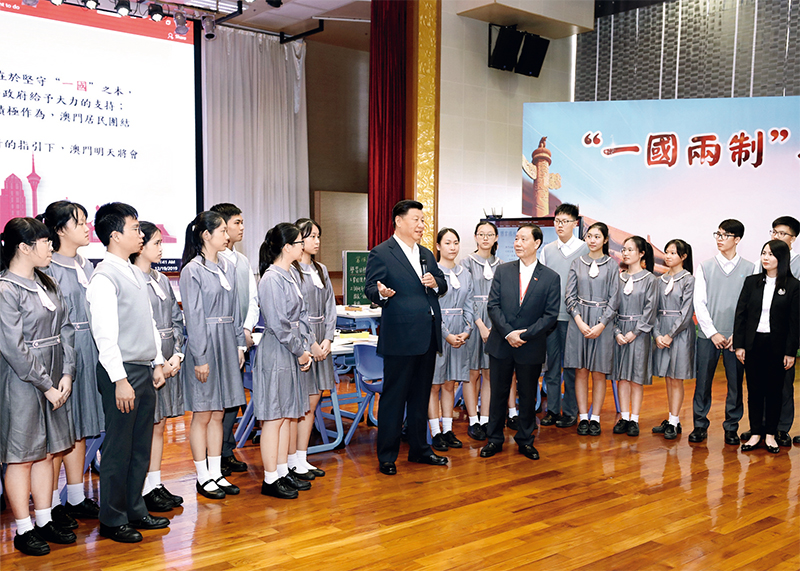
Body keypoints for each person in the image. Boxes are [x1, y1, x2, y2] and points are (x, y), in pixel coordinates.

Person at [85, 202, 168, 543]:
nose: (140, 234)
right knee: (118, 449)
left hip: (143, 368)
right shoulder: (104, 277)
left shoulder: (134, 272)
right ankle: (112, 518)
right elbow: (104, 335)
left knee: (139, 446)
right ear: (115, 236)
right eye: (134, 228)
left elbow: (149, 322)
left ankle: (135, 509)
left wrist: (158, 361)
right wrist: (120, 380)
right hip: (122, 372)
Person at [0, 217, 77, 556]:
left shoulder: (48, 282)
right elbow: (13, 348)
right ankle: (23, 528)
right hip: (22, 382)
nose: (50, 247)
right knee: (21, 457)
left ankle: (44, 519)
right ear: (23, 247)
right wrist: (46, 384)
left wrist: (67, 373)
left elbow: (67, 329)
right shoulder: (6, 289)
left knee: (48, 451)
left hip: (55, 376)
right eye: (45, 242)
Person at [364, 199, 448, 476]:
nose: (421, 225)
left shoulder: (426, 254)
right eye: (416, 219)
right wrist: (381, 293)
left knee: (420, 397)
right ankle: (387, 456)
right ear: (399, 221)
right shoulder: (381, 252)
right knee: (394, 398)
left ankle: (419, 449)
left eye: (423, 220)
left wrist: (436, 283)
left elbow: (442, 283)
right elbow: (370, 287)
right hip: (400, 336)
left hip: (428, 335)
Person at [39, 201, 101, 528]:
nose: (86, 228)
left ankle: (76, 496)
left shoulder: (87, 265)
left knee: (81, 427)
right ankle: (50, 505)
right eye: (79, 223)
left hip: (90, 349)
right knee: (60, 432)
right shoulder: (48, 268)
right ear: (60, 230)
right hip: (65, 353)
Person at [179, 211, 246, 500]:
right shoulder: (192, 270)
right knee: (203, 413)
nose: (227, 235)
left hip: (227, 343)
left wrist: (239, 345)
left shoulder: (227, 267)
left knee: (219, 413)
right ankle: (202, 475)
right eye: (222, 231)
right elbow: (194, 317)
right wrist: (200, 357)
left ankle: (216, 472)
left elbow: (236, 310)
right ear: (206, 235)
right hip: (205, 343)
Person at [479, 224, 560, 461]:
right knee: (498, 393)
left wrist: (523, 336)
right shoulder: (503, 271)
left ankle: (525, 439)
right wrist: (509, 333)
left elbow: (550, 316)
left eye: (523, 239)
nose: (517, 243)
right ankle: (494, 439)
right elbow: (493, 306)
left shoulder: (551, 277)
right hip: (502, 343)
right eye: (516, 238)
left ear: (537, 243)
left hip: (530, 345)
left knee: (527, 396)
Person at [254, 223, 314, 499]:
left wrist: (305, 346)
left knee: (286, 414)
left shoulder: (290, 274)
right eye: (300, 242)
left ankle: (281, 471)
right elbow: (279, 324)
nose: (304, 246)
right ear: (287, 247)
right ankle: (270, 478)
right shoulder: (271, 278)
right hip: (277, 351)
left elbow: (301, 316)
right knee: (274, 417)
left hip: (292, 349)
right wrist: (300, 351)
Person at [130, 222, 185, 512]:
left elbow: (176, 320)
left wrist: (177, 354)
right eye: (156, 243)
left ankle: (155, 483)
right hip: (147, 365)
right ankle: (140, 488)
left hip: (167, 361)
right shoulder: (131, 279)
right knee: (144, 427)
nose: (162, 248)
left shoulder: (162, 279)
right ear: (140, 247)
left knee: (159, 425)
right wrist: (157, 364)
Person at [690, 220, 755, 445]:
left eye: (725, 235)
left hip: (736, 337)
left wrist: (739, 334)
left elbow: (752, 305)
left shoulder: (751, 268)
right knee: (703, 382)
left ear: (737, 239)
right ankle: (699, 425)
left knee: (735, 384)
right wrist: (712, 333)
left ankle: (731, 428)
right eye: (717, 234)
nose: (719, 238)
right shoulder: (705, 266)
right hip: (708, 336)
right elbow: (699, 302)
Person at [734, 240, 800, 453]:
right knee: (754, 389)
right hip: (754, 343)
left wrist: (790, 352)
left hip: (777, 346)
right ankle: (755, 433)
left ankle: (770, 434)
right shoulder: (751, 282)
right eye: (763, 253)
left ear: (781, 258)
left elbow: (795, 323)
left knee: (774, 390)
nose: (765, 257)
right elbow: (741, 314)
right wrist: (739, 345)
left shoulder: (793, 286)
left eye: (771, 254)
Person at [210, 203, 258, 476]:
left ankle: (226, 451)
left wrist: (247, 329)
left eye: (242, 222)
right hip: (218, 340)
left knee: (233, 398)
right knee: (217, 403)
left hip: (240, 338)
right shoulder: (210, 261)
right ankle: (214, 455)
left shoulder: (242, 261)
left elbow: (252, 299)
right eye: (236, 223)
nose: (241, 228)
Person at [564, 222, 619, 436]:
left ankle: (595, 418)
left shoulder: (612, 265)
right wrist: (579, 321)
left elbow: (615, 299)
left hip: (603, 323)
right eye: (589, 236)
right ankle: (582, 417)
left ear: (605, 240)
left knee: (598, 372)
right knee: (580, 371)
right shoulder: (576, 263)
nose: (592, 240)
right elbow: (569, 296)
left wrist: (602, 324)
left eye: (597, 236)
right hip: (579, 321)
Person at [539, 204, 589, 429]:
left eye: (565, 221)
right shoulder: (548, 250)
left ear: (575, 224)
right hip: (551, 316)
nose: (560, 225)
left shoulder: (585, 249)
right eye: (557, 221)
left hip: (575, 318)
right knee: (551, 366)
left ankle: (569, 412)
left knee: (571, 367)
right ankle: (552, 410)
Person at [291, 218, 334, 480]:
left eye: (318, 236)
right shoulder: (291, 271)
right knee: (302, 402)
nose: (316, 241)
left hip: (322, 338)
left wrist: (328, 338)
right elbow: (296, 312)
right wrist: (311, 344)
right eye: (311, 236)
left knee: (315, 399)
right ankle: (292, 459)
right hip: (303, 340)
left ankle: (302, 457)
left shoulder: (321, 269)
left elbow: (330, 306)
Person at [429, 228, 473, 452]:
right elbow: (431, 308)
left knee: (450, 383)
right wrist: (446, 334)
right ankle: (435, 432)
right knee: (434, 385)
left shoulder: (465, 273)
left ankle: (448, 429)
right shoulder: (432, 274)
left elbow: (470, 304)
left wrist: (467, 330)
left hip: (459, 333)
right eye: (447, 243)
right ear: (438, 246)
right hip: (438, 332)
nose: (452, 247)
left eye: (456, 242)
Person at [612, 236, 657, 437]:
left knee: (636, 378)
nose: (625, 253)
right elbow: (611, 306)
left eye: (630, 249)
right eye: (624, 249)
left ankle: (634, 419)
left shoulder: (650, 279)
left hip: (639, 333)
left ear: (641, 253)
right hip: (619, 331)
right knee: (622, 377)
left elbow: (650, 310)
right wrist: (616, 331)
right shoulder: (618, 278)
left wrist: (635, 332)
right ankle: (624, 417)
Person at [462, 221, 503, 440]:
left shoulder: (502, 265)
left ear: (496, 238)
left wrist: (494, 326)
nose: (485, 238)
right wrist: (480, 325)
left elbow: (504, 298)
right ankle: (473, 420)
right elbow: (467, 298)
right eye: (481, 234)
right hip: (473, 321)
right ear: (475, 237)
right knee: (472, 373)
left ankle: (486, 418)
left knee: (489, 372)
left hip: (495, 322)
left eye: (489, 234)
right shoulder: (466, 263)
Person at [651, 239, 696, 440]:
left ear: (683, 257)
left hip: (680, 334)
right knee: (668, 378)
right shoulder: (659, 280)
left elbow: (686, 313)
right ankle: (671, 419)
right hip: (662, 331)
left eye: (673, 253)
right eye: (666, 252)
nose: (667, 256)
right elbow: (653, 309)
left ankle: (675, 421)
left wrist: (670, 335)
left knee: (677, 378)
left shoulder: (689, 280)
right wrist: (657, 334)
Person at [767, 216, 800, 447]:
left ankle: (781, 428)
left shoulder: (797, 264)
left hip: (786, 334)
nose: (776, 237)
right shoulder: (765, 261)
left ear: (793, 239)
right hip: (762, 333)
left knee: (785, 383)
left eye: (782, 233)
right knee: (761, 382)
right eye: (774, 232)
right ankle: (761, 426)